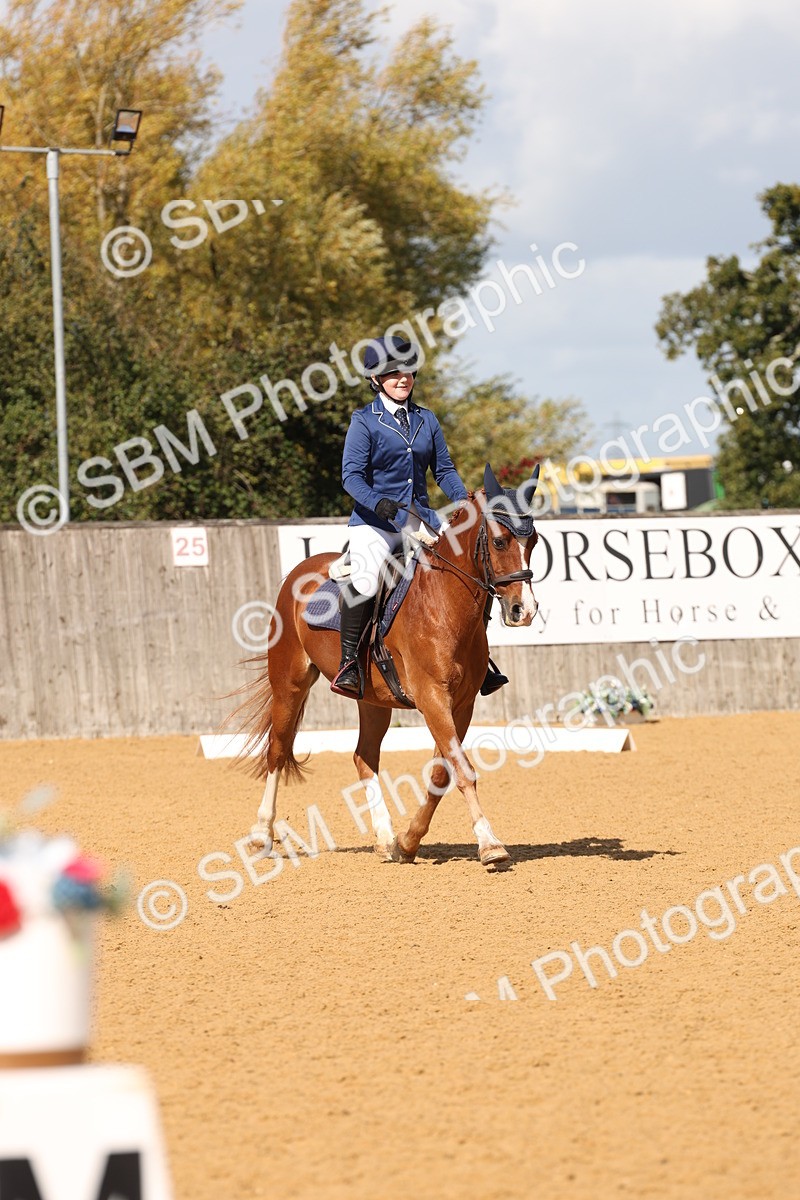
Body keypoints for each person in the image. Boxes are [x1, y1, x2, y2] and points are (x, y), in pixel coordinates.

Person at [331, 335, 508, 699]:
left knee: (474, 566)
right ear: (377, 379)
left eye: (407, 371)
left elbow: (443, 469)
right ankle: (349, 663)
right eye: (393, 373)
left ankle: (481, 659)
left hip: (422, 518)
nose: (402, 378)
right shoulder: (365, 420)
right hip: (376, 522)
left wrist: (464, 501)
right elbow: (351, 476)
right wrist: (375, 502)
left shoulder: (426, 419)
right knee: (366, 580)